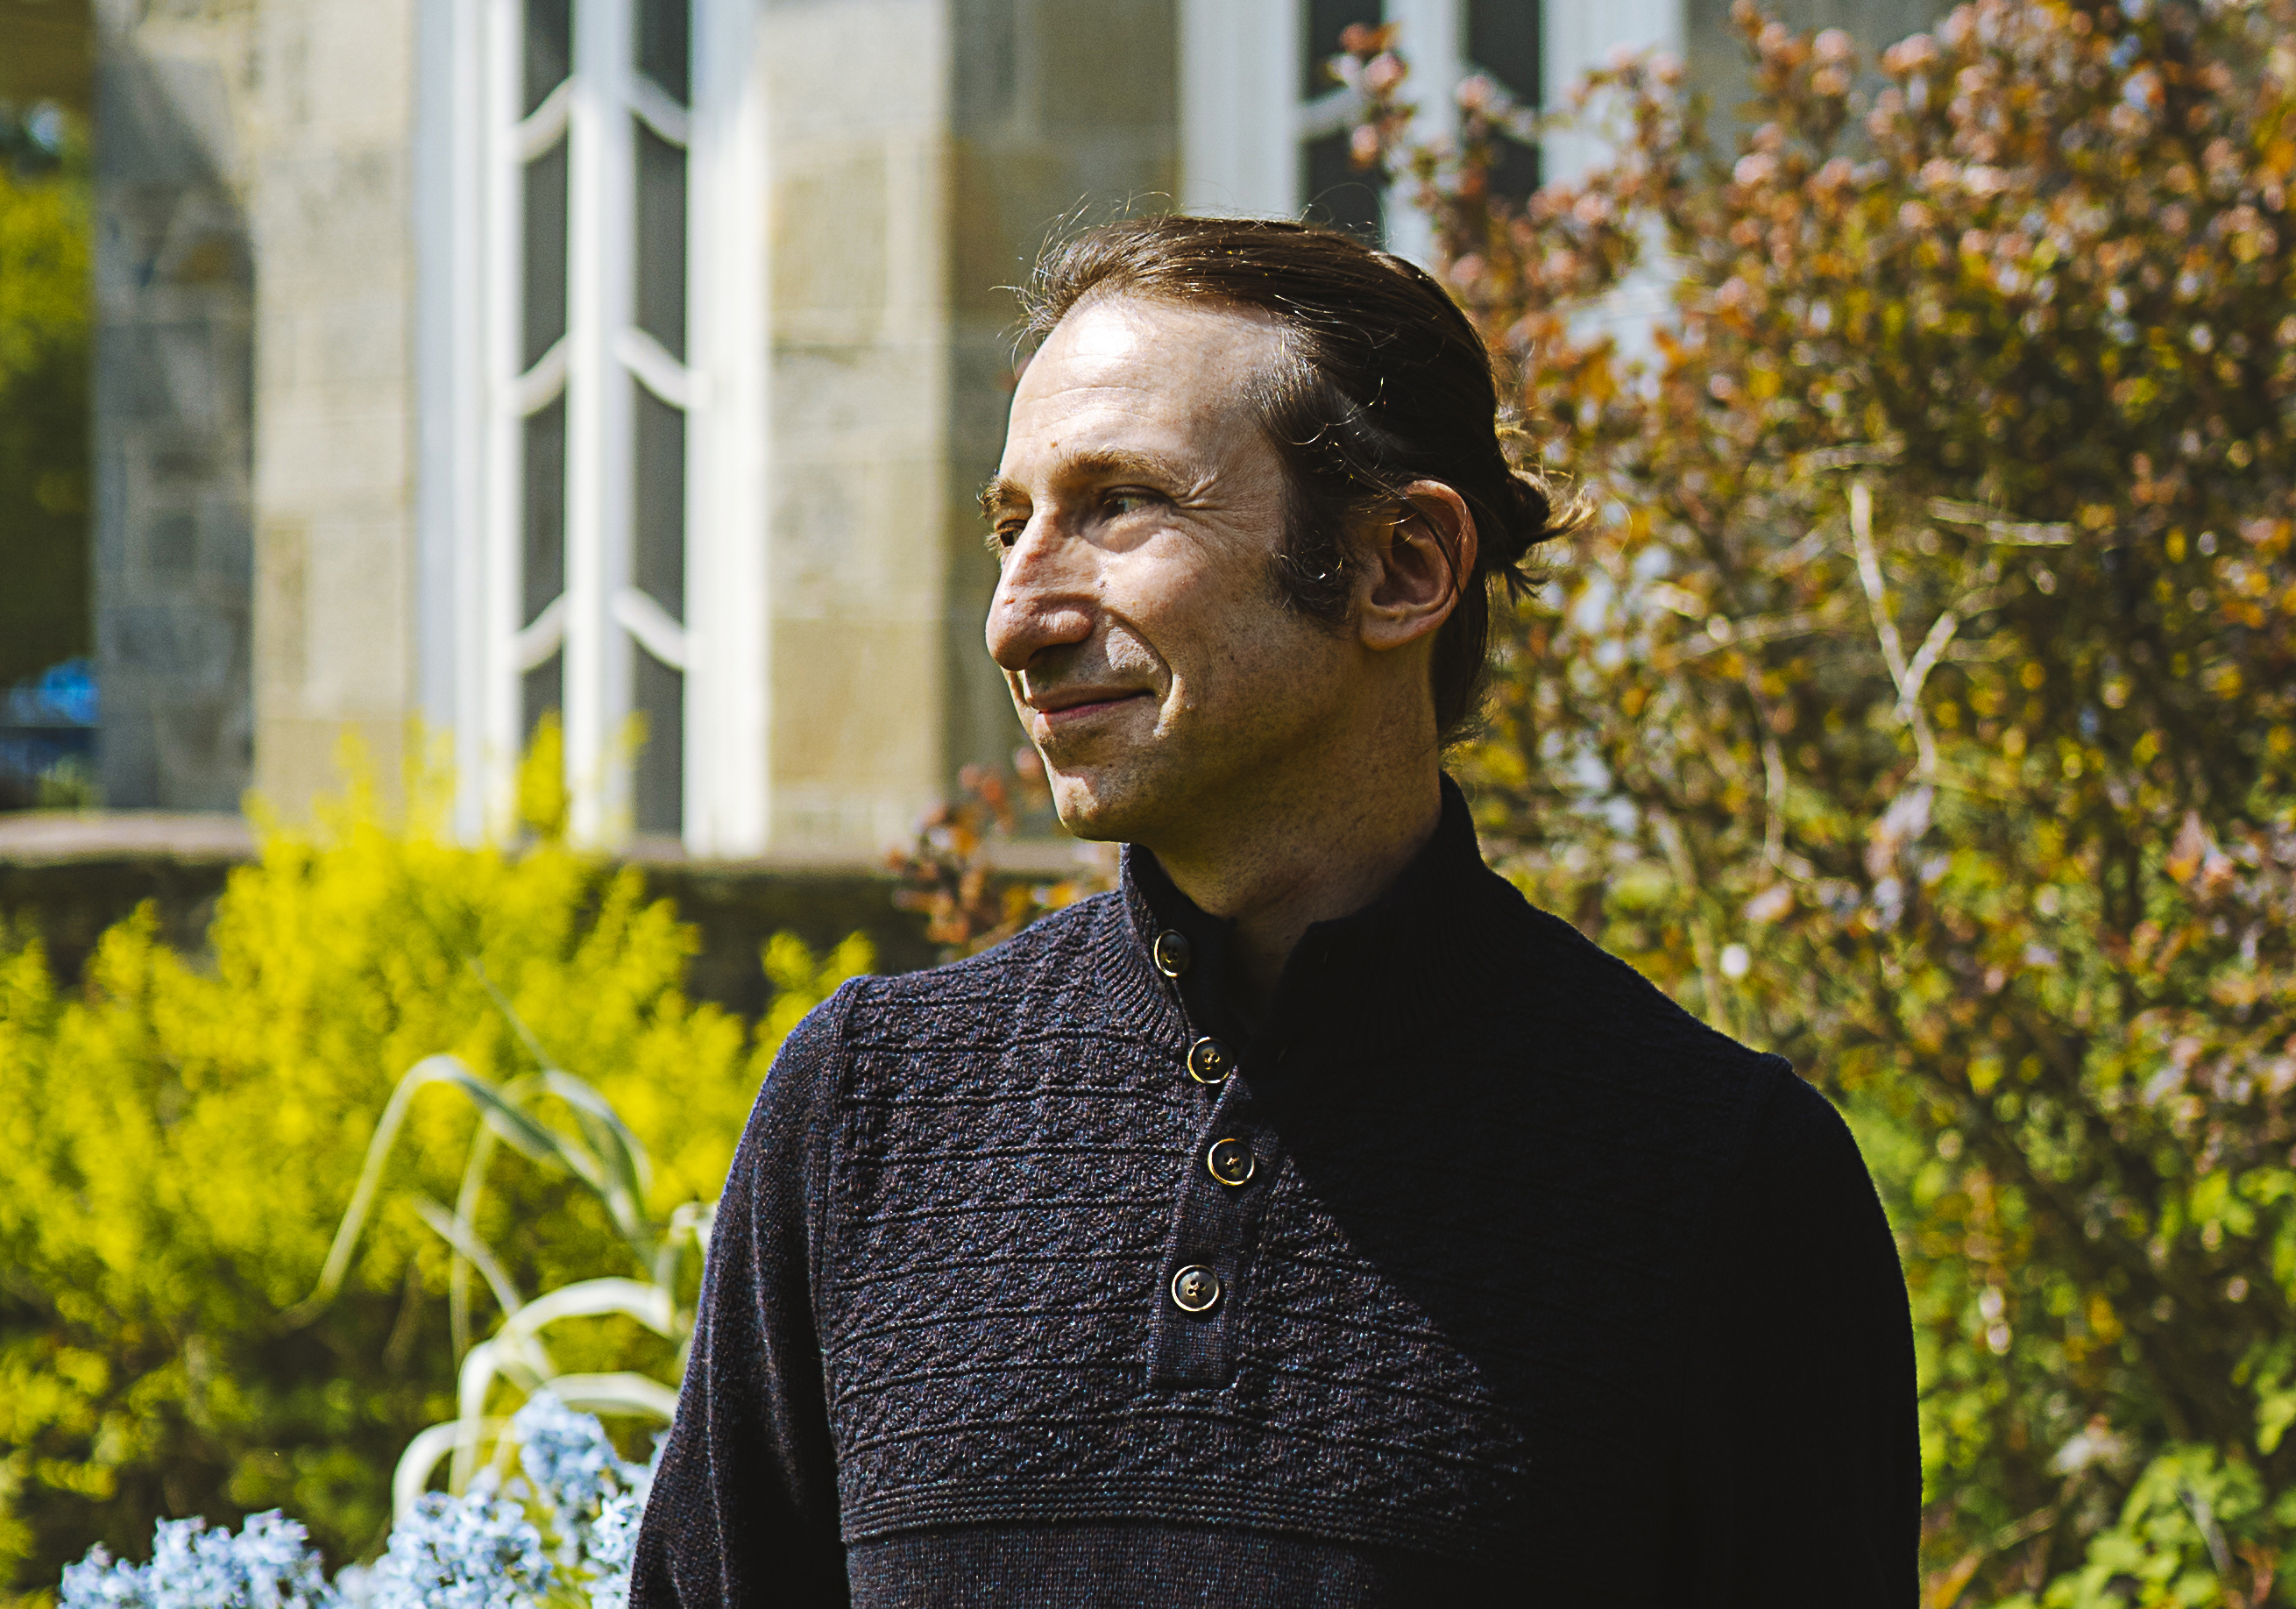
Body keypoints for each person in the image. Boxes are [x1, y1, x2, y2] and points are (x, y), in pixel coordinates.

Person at [630, 216, 1918, 1607]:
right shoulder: (866, 1111)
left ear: (1402, 567)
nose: (1019, 616)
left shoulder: (1712, 1178)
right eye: (1014, 526)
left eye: (1119, 504)